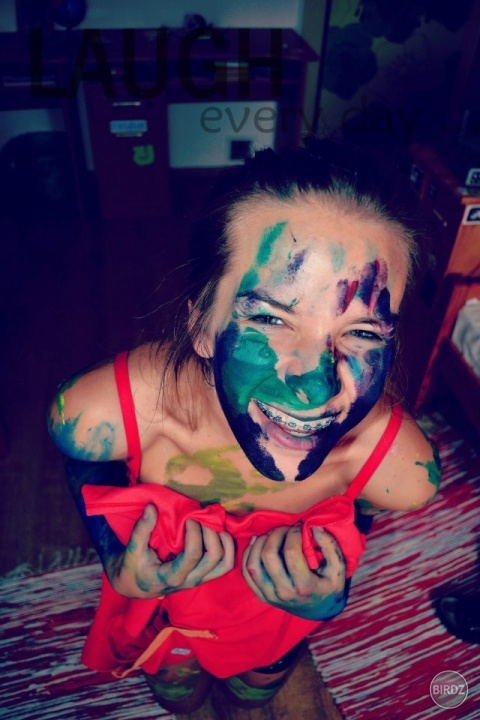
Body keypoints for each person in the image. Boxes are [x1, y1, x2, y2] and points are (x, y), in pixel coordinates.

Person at [48, 139, 441, 713]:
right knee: (180, 699)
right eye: (270, 318)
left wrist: (330, 597)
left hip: (272, 628)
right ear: (201, 326)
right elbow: (82, 458)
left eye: (361, 332)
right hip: (168, 622)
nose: (315, 388)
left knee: (255, 690)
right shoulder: (104, 413)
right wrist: (114, 555)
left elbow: (361, 510)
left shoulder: (401, 471)